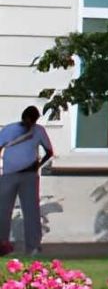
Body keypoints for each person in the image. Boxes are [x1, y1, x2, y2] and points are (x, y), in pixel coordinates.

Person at [0, 106, 55, 256]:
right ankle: (2, 244)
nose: (29, 124)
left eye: (33, 121)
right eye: (27, 121)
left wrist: (37, 164)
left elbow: (49, 151)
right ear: (23, 118)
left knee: (31, 210)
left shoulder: (39, 131)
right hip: (8, 175)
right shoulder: (9, 130)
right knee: (3, 210)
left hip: (29, 176)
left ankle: (33, 246)